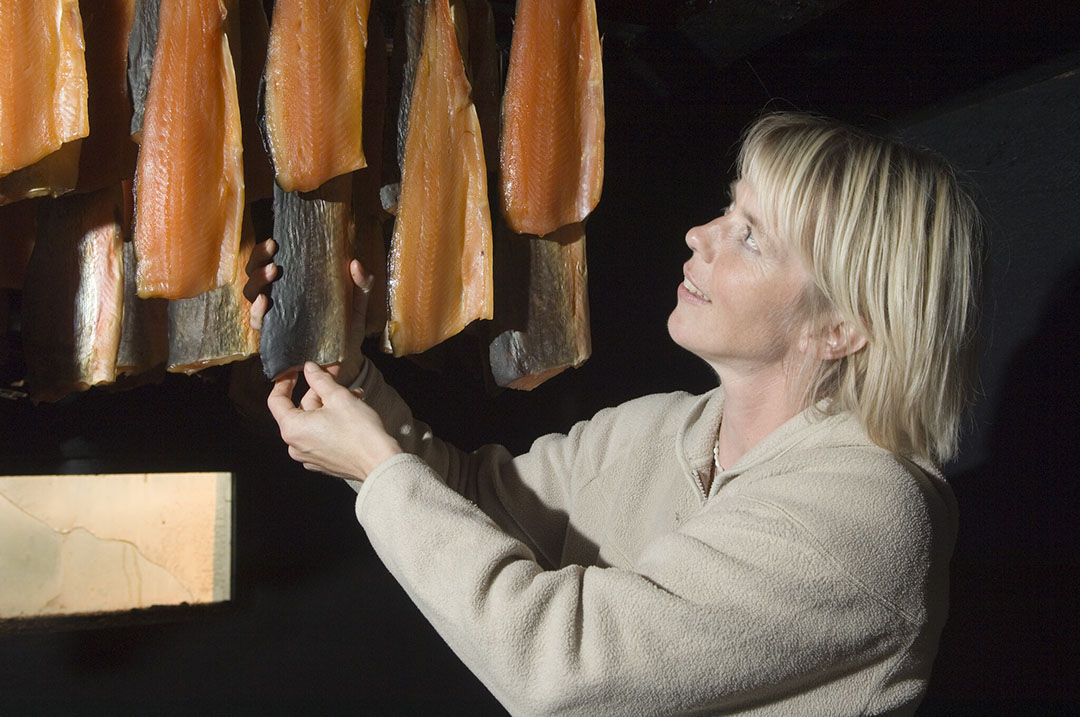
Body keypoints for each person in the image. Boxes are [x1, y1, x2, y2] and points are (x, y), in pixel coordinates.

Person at [245, 111, 982, 715]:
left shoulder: (866, 512)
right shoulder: (662, 427)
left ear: (840, 327)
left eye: (750, 236)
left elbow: (562, 667)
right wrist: (352, 382)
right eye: (729, 207)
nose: (701, 235)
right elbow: (469, 501)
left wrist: (376, 469)